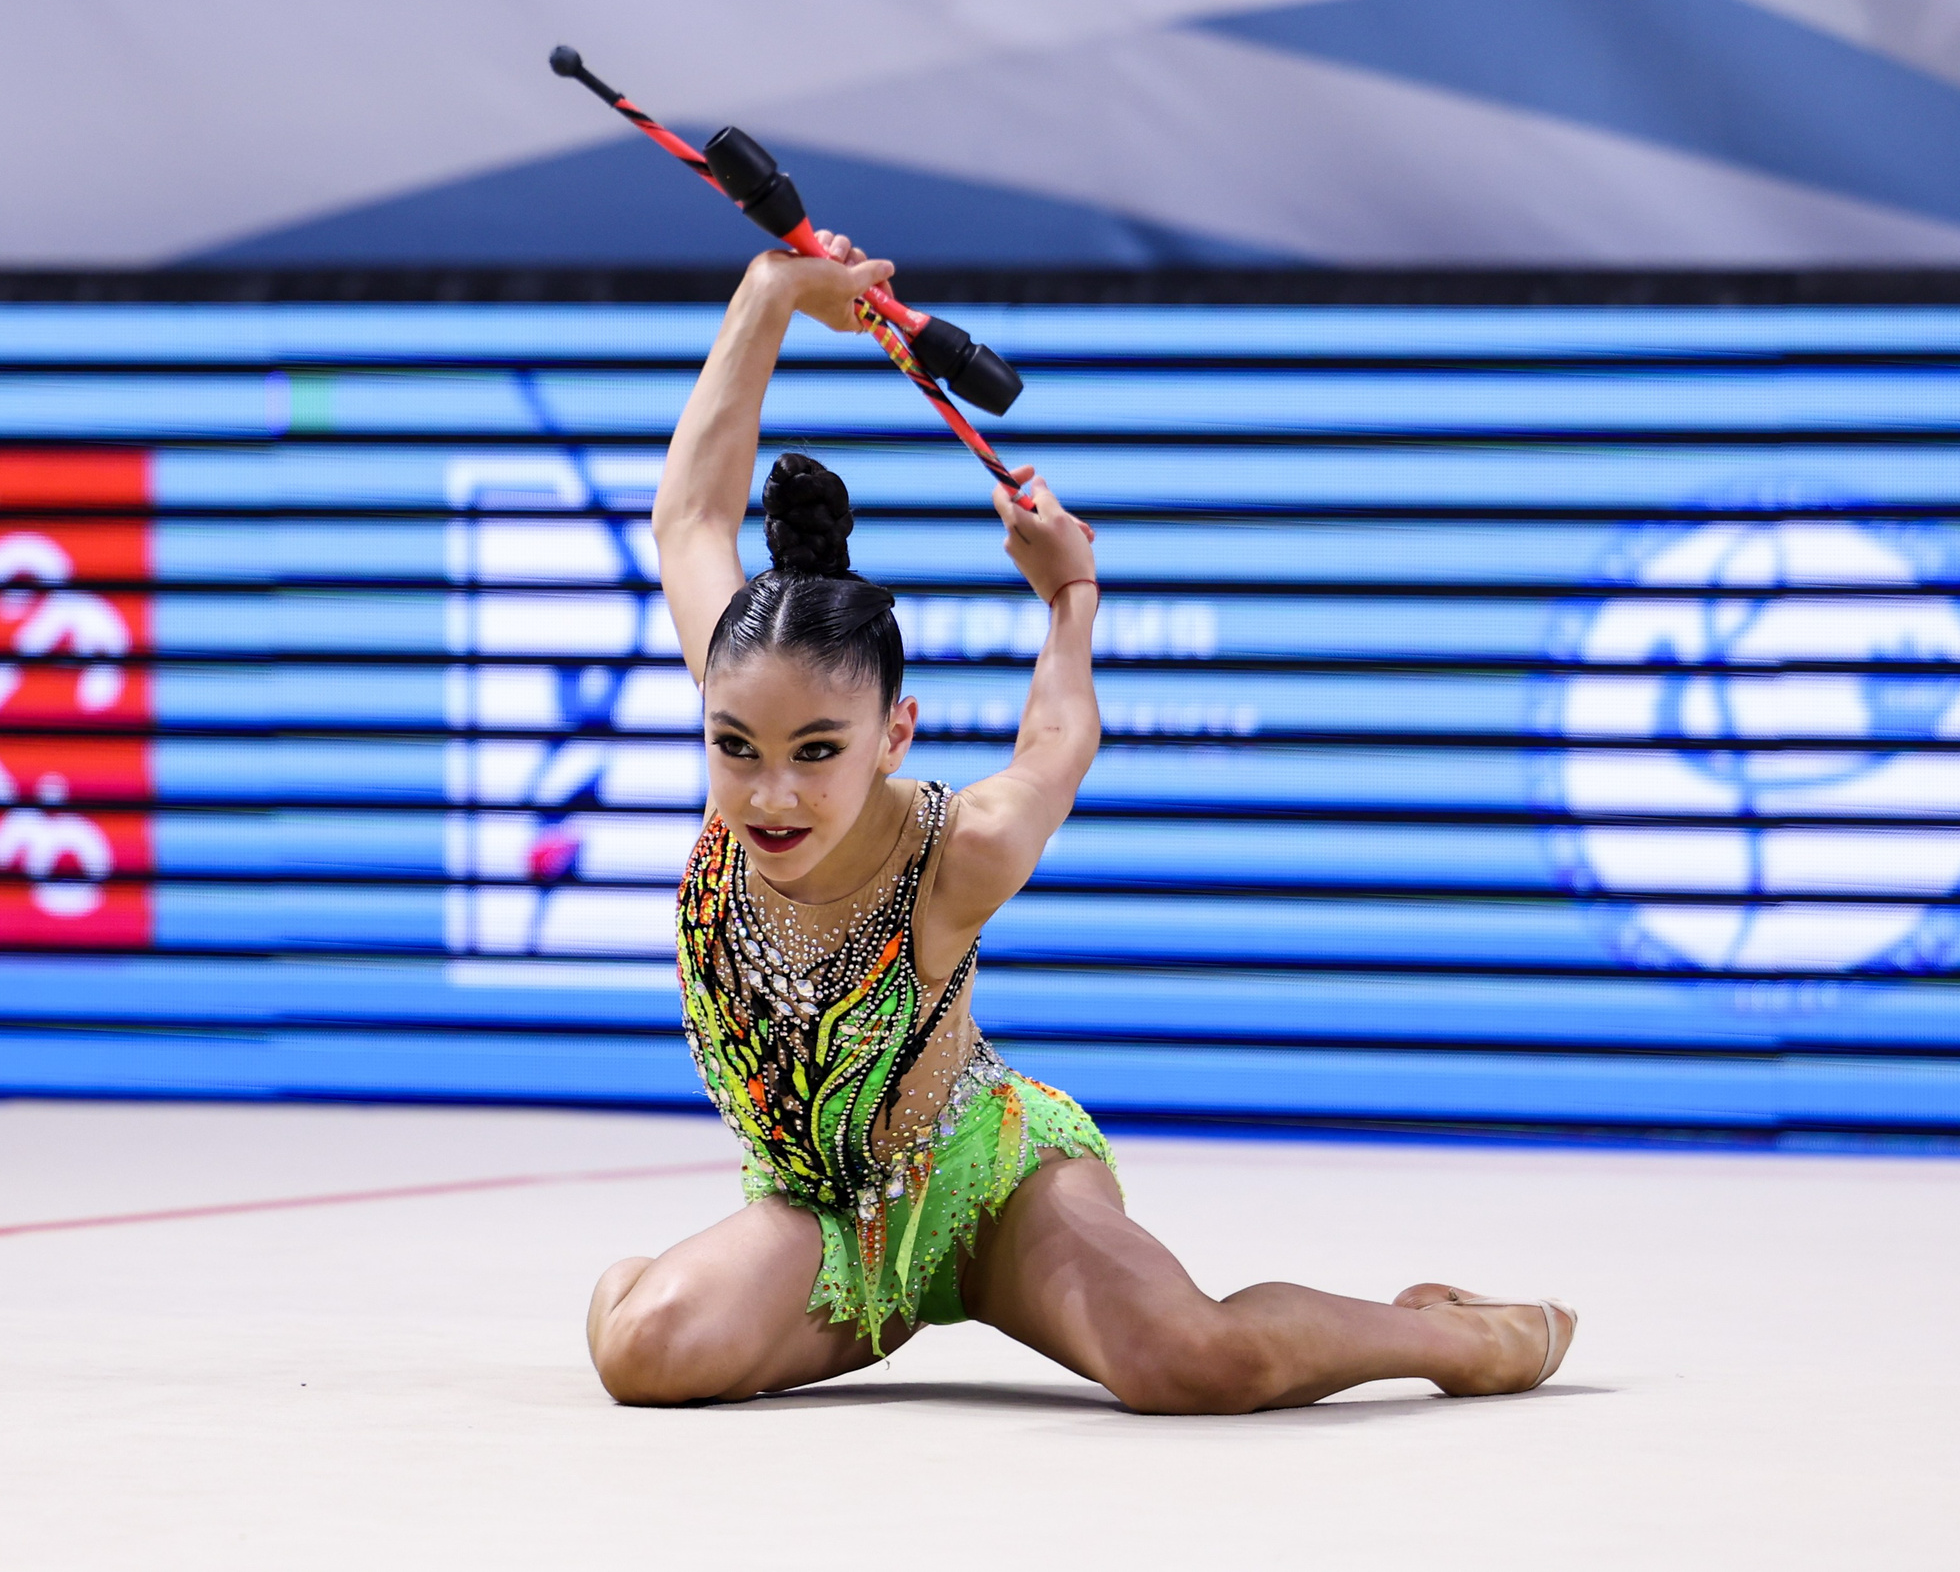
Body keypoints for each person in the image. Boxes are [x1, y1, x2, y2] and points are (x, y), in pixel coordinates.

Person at [585, 234, 1577, 1414]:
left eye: (817, 754)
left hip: (986, 1179)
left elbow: (1056, 749)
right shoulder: (746, 707)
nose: (770, 793)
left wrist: (1069, 595)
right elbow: (691, 515)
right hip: (825, 1221)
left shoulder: (957, 851)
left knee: (1190, 1366)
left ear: (892, 734)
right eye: (735, 747)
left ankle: (1461, 1335)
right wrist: (770, 293)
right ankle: (735, 1294)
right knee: (642, 1357)